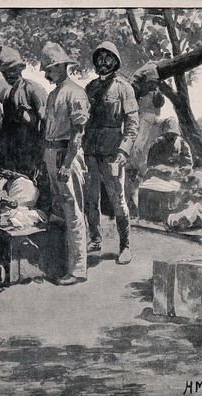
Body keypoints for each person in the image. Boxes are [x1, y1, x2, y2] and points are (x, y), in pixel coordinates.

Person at [83, 41, 139, 265]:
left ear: (115, 61)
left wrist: (123, 151)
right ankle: (95, 238)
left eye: (108, 58)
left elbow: (132, 125)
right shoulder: (89, 88)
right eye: (100, 58)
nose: (103, 62)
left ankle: (125, 246)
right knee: (90, 200)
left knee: (119, 201)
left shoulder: (124, 88)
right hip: (90, 152)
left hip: (113, 153)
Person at [40, 42, 90, 286]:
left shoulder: (76, 92)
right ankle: (60, 264)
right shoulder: (52, 94)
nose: (46, 75)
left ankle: (78, 269)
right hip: (52, 153)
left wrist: (68, 163)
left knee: (72, 212)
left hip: (66, 154)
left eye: (49, 69)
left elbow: (78, 133)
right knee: (58, 210)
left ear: (60, 67)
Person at [0, 46, 50, 213]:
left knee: (39, 194)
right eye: (6, 72)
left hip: (33, 153)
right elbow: (6, 129)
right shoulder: (7, 95)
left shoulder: (34, 90)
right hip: (15, 156)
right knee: (19, 196)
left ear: (21, 69)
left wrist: (40, 157)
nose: (9, 75)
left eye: (13, 70)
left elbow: (46, 124)